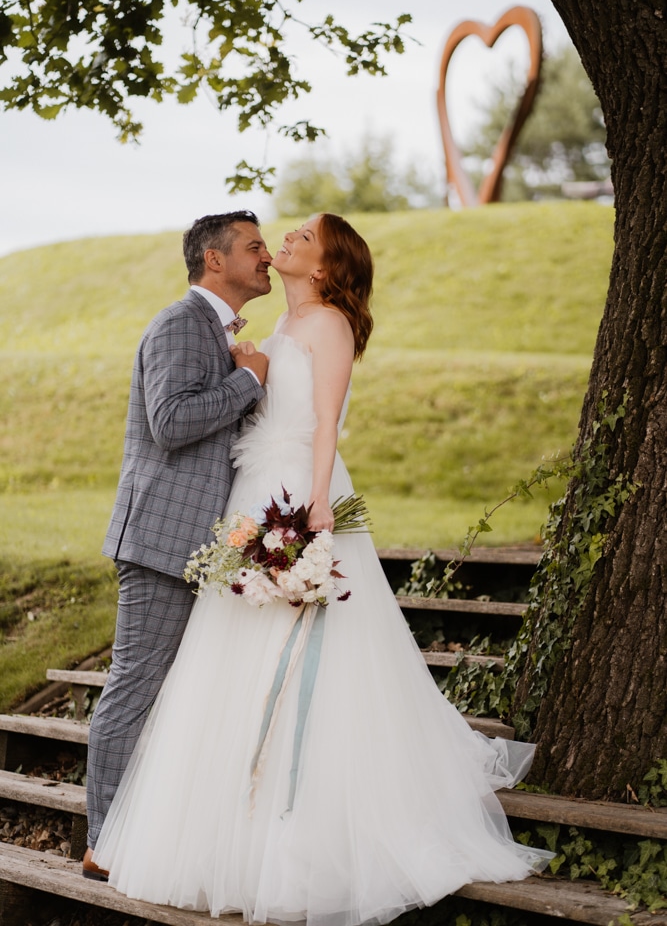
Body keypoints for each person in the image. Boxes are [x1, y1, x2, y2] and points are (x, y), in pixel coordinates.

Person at [92, 214, 552, 923]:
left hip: (294, 498)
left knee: (307, 659)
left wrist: (314, 510)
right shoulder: (258, 330)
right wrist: (250, 375)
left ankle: (294, 830)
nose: (279, 244)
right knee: (220, 665)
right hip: (246, 505)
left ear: (326, 267)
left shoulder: (328, 324)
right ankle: (193, 832)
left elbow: (325, 424)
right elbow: (196, 418)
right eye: (265, 242)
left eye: (299, 238)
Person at [83, 211, 272, 880]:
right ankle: (103, 843)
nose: (267, 257)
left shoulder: (217, 333)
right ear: (214, 259)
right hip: (163, 542)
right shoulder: (180, 324)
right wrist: (250, 381)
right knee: (135, 689)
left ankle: (151, 837)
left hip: (204, 547)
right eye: (254, 246)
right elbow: (170, 422)